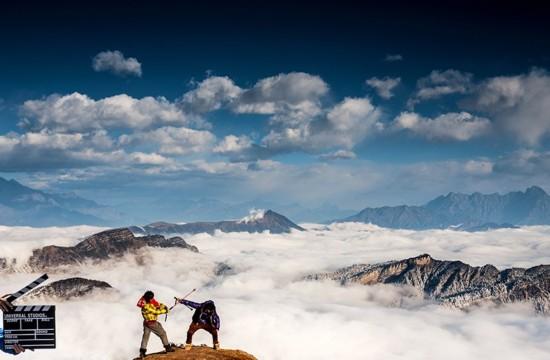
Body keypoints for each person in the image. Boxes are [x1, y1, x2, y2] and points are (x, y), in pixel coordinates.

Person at [137, 291, 175, 358]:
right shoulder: (146, 306)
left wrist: (163, 306)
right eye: (151, 298)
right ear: (148, 298)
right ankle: (167, 347)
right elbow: (155, 312)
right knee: (163, 333)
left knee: (145, 337)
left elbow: (157, 304)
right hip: (152, 323)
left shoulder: (145, 301)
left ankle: (142, 352)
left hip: (146, 323)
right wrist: (165, 311)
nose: (152, 299)